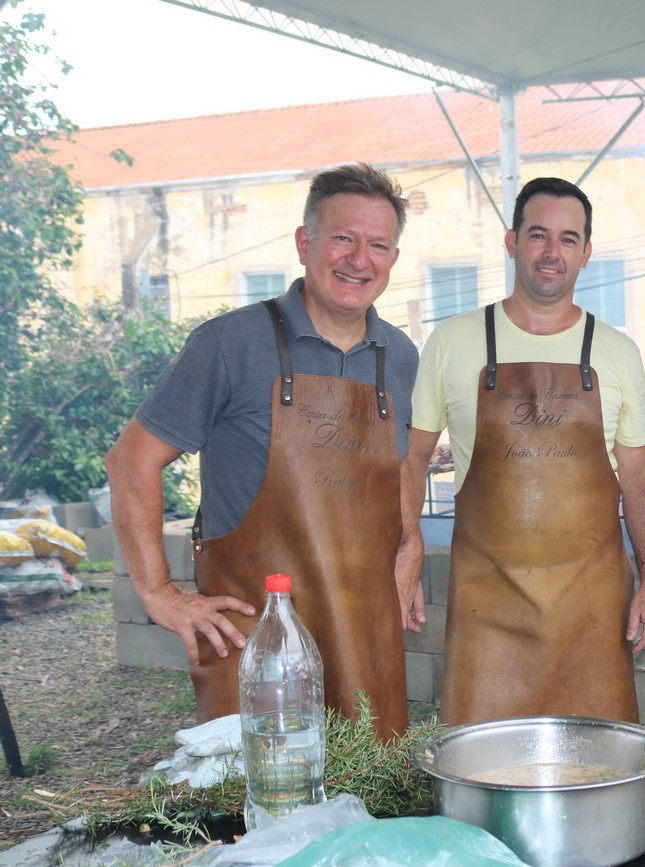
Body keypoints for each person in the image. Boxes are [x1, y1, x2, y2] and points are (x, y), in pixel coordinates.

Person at [105, 163, 418, 739]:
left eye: (378, 245)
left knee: (370, 784)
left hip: (366, 634)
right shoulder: (229, 344)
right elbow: (131, 461)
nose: (359, 259)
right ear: (304, 243)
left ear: (393, 258)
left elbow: (397, 465)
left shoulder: (398, 357)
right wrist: (158, 593)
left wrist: (408, 545)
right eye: (342, 238)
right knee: (265, 787)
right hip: (259, 642)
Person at [400, 177, 645, 727]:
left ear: (585, 253)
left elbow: (640, 476)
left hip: (592, 605)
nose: (552, 252)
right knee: (482, 760)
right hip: (486, 605)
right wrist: (408, 547)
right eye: (538, 235)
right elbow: (412, 458)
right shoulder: (452, 342)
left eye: (569, 239)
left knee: (595, 761)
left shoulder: (617, 352)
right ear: (512, 242)